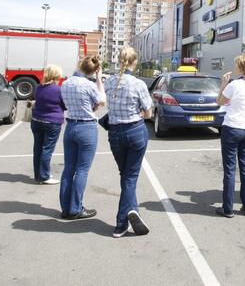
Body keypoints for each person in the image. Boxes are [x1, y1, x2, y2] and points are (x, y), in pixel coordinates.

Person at [103, 47, 153, 238]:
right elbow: (148, 112)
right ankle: (122, 223)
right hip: (135, 132)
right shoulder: (138, 84)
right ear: (134, 62)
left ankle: (133, 211)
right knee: (130, 177)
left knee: (125, 175)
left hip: (115, 133)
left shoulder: (110, 82)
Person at [59, 56, 105, 220]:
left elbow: (64, 104)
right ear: (93, 71)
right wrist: (99, 80)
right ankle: (75, 208)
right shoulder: (89, 85)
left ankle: (65, 208)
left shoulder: (65, 83)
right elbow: (102, 100)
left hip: (70, 126)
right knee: (82, 170)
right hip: (87, 127)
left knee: (68, 169)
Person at [215, 54, 245, 218]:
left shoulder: (233, 85)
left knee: (230, 169)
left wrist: (223, 83)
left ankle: (228, 208)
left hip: (232, 128)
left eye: (236, 66)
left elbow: (219, 101)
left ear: (240, 68)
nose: (234, 68)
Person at [30, 65, 66, 185]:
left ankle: (38, 175)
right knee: (47, 149)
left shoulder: (39, 88)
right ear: (57, 76)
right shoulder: (59, 90)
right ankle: (44, 176)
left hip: (36, 120)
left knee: (38, 148)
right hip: (52, 122)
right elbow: (65, 105)